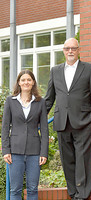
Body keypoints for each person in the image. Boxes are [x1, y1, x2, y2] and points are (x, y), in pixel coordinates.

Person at [45, 38, 91, 200]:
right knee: (67, 160)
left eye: (73, 48)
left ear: (78, 50)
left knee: (83, 160)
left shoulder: (89, 69)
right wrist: (39, 116)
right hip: (62, 122)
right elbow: (49, 98)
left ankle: (82, 195)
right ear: (63, 50)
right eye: (67, 48)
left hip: (84, 122)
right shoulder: (55, 71)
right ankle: (73, 192)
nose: (70, 51)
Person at [2, 70, 49, 200]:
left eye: (29, 80)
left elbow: (44, 130)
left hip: (35, 152)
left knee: (33, 189)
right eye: (23, 80)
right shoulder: (10, 101)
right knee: (15, 189)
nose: (26, 82)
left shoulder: (41, 102)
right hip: (15, 152)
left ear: (33, 82)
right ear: (19, 82)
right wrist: (6, 150)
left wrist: (43, 153)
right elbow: (5, 127)